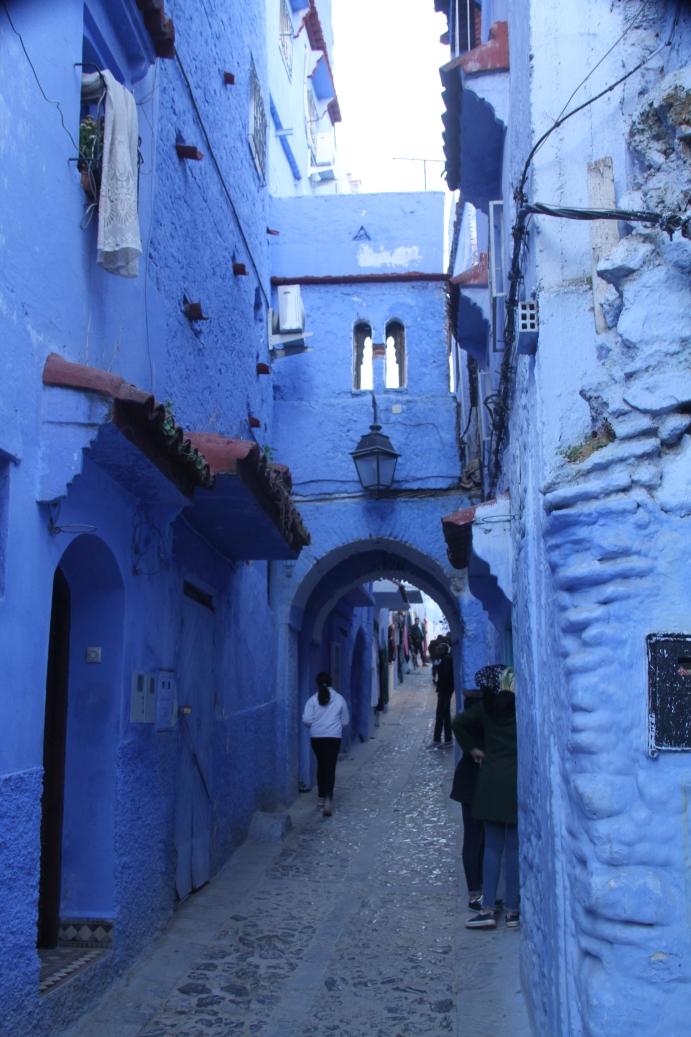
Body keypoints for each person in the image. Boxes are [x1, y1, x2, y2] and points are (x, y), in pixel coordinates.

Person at [453, 664, 519, 930]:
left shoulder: (485, 709)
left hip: (490, 783)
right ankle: (514, 911)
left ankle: (488, 908)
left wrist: (474, 750)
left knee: (492, 848)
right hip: (515, 781)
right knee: (514, 849)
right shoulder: (518, 708)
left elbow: (457, 723)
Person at [450, 690, 484, 909]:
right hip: (475, 785)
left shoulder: (471, 726)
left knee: (474, 838)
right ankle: (477, 890)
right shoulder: (481, 723)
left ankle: (476, 890)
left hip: (468, 785)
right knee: (478, 838)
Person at [302, 671, 350, 817]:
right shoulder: (340, 699)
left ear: (317, 683)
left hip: (317, 738)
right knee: (330, 767)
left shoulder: (312, 700)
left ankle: (321, 798)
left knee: (321, 765)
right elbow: (345, 721)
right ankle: (328, 798)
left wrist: (318, 723)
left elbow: (307, 720)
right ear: (331, 682)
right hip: (333, 738)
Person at [431, 641, 454, 746]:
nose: (437, 651)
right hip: (445, 691)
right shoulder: (446, 660)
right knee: (445, 715)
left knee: (440, 715)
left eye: (439, 649)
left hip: (445, 691)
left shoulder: (446, 661)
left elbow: (446, 677)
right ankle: (447, 739)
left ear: (443, 650)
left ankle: (437, 740)